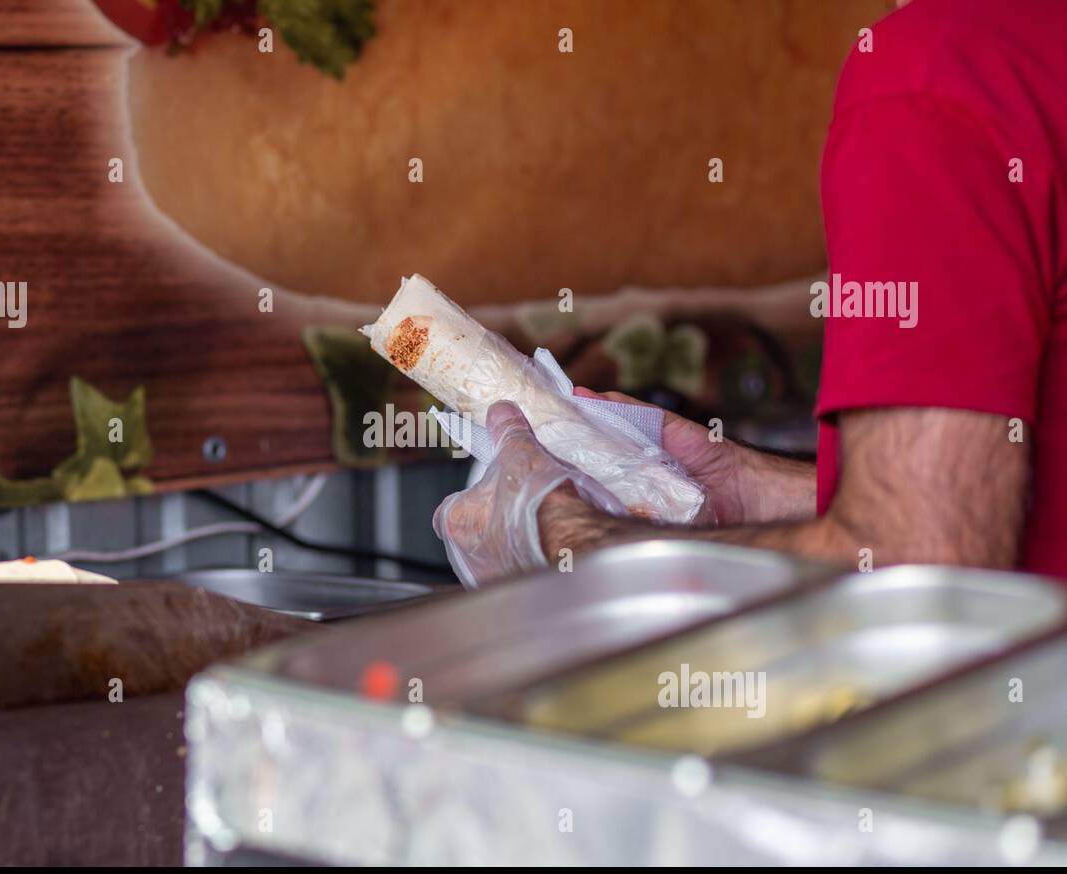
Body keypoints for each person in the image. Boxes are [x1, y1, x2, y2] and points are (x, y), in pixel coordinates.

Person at [435, 0, 1067, 582]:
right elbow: (1003, 506)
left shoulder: (936, 69)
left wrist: (556, 532)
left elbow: (923, 575)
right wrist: (749, 487)